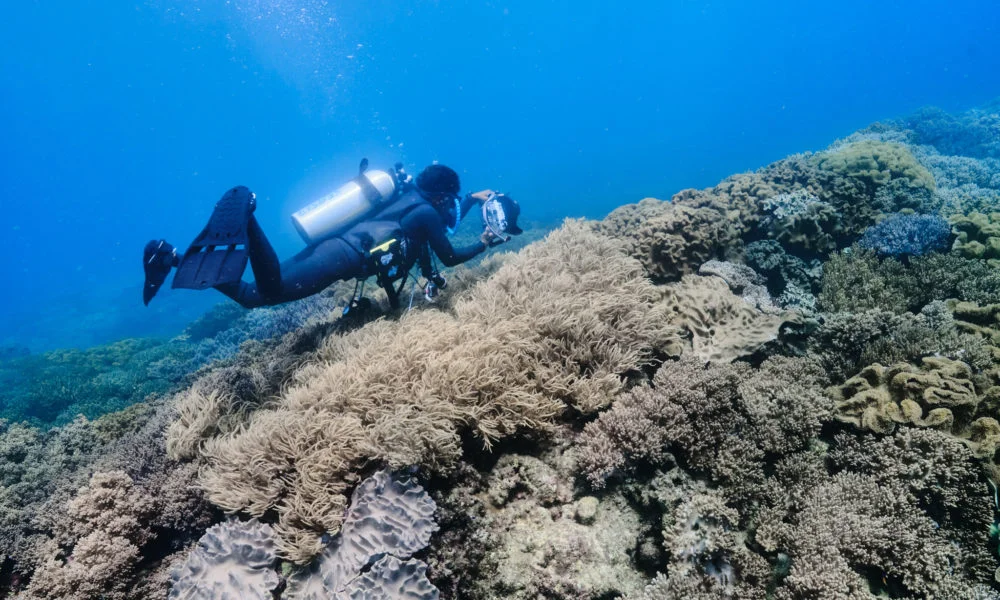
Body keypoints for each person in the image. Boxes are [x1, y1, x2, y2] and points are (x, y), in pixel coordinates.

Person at [142, 164, 522, 309]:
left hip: (333, 246)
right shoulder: (425, 212)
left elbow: (441, 232)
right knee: (264, 293)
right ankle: (249, 217)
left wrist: (472, 200)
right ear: (441, 196)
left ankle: (170, 256)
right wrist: (485, 243)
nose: (450, 206)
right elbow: (451, 255)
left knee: (250, 296)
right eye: (451, 200)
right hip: (341, 258)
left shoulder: (411, 201)